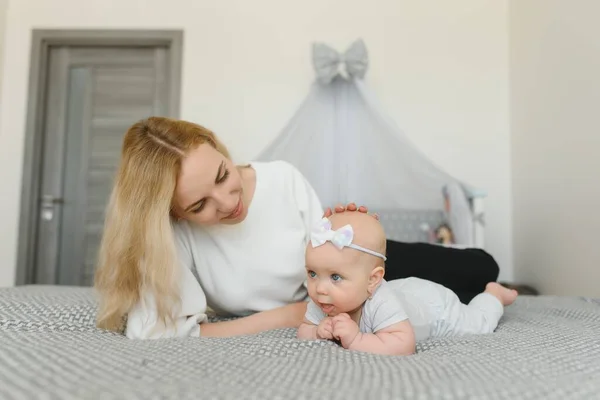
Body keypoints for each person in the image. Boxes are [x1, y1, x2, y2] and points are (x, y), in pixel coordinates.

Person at [93, 116, 501, 340]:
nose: (228, 202)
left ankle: (499, 292)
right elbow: (156, 332)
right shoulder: (173, 239)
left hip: (355, 264)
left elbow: (328, 247)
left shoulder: (280, 178)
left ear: (217, 146)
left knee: (481, 269)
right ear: (176, 213)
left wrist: (347, 223)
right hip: (326, 302)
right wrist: (287, 316)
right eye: (200, 204)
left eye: (222, 175)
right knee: (457, 304)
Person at [297, 212, 518, 356]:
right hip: (406, 291)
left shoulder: (381, 303)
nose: (319, 288)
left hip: (434, 307)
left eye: (335, 277)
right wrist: (316, 332)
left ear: (372, 280)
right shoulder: (323, 301)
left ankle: (493, 295)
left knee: (478, 324)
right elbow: (304, 329)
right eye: (313, 274)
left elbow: (404, 345)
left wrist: (357, 339)